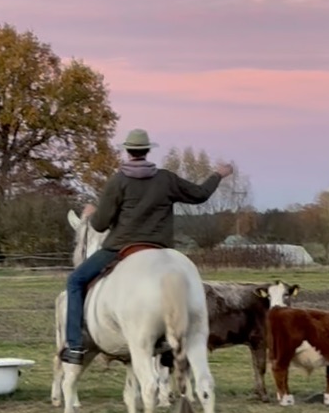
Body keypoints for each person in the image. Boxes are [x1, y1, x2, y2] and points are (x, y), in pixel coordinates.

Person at [60, 128, 233, 364]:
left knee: (75, 281)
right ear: (147, 151)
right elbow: (200, 195)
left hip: (119, 248)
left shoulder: (118, 181)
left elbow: (100, 226)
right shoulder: (166, 179)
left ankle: (75, 346)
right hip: (160, 249)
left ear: (128, 152)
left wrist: (90, 215)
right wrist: (217, 174)